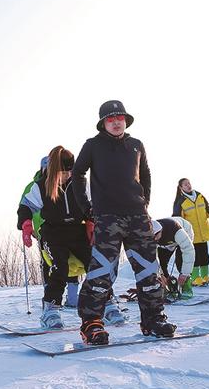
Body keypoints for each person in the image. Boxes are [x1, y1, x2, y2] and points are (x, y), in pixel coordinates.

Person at [71, 100, 175, 345]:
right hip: (107, 218)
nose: (116, 122)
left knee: (149, 269)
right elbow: (77, 175)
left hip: (138, 217)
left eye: (120, 118)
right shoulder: (92, 145)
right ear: (103, 123)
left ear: (126, 121)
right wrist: (87, 209)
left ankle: (153, 319)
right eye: (110, 118)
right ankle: (92, 323)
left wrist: (144, 201)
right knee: (102, 270)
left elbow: (146, 174)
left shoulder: (136, 145)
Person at [17, 146, 93, 328]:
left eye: (70, 171)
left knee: (96, 263)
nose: (67, 175)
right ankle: (50, 309)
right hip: (53, 233)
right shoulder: (41, 186)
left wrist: (92, 221)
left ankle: (104, 302)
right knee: (59, 266)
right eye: (63, 171)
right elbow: (25, 207)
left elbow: (91, 205)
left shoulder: (80, 183)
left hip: (77, 230)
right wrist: (26, 224)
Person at [172, 178, 209, 287]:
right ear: (181, 188)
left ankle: (205, 276)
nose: (188, 185)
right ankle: (195, 277)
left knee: (204, 256)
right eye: (185, 185)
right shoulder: (180, 201)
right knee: (195, 257)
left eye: (189, 183)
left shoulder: (199, 196)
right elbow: (177, 218)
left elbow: (207, 209)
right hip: (191, 234)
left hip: (203, 232)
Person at [152, 217, 197, 300]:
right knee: (162, 263)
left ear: (160, 231)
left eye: (156, 236)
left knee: (180, 261)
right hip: (166, 243)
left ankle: (186, 288)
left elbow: (189, 251)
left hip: (184, 232)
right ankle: (169, 287)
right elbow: (153, 257)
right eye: (152, 237)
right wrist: (160, 275)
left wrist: (184, 274)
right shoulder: (150, 235)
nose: (154, 239)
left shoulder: (176, 230)